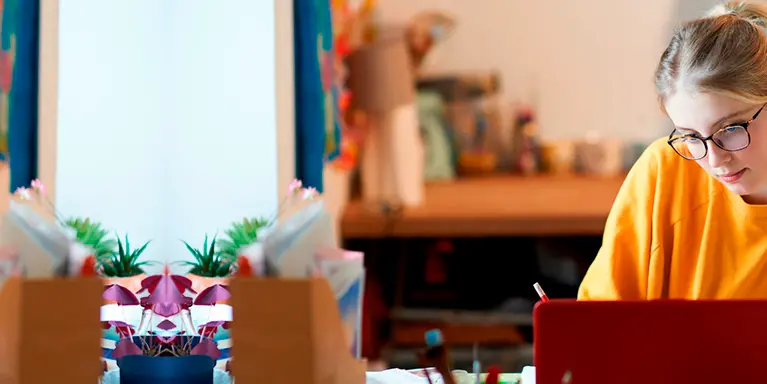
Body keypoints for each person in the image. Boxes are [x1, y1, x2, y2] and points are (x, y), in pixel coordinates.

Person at [579, 0, 767, 300]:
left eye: (731, 129)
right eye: (691, 136)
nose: (715, 159)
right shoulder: (665, 173)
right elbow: (598, 324)